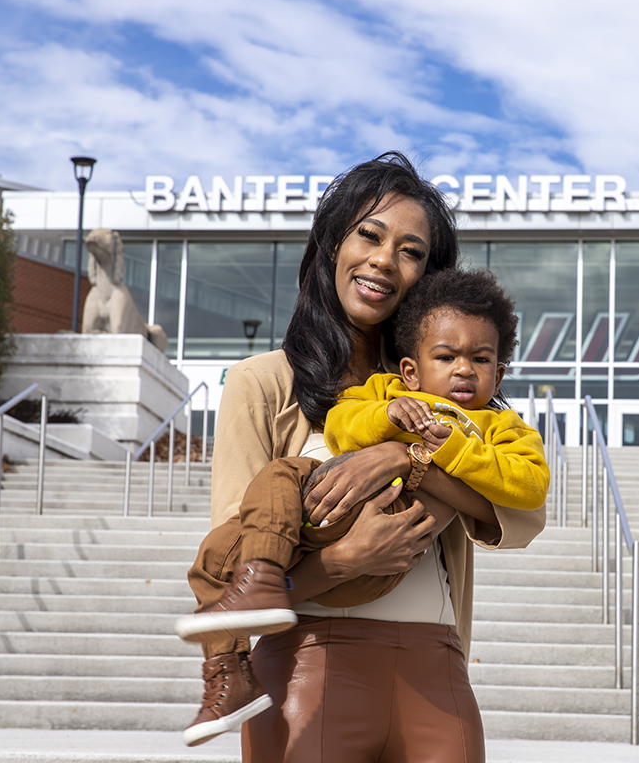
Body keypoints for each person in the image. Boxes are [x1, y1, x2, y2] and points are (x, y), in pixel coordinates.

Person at [185, 152, 546, 762]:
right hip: (307, 659)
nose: (384, 259)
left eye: (411, 250)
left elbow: (519, 517)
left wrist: (405, 459)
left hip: (435, 661)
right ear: (333, 246)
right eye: (369, 235)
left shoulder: (442, 386)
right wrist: (347, 559)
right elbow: (238, 552)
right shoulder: (262, 382)